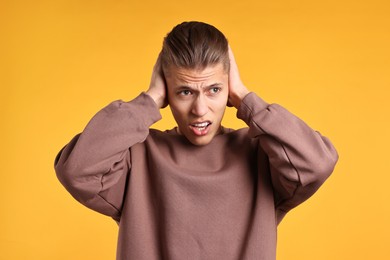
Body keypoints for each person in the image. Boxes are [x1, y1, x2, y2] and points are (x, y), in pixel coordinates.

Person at [54, 21, 338, 260]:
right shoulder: (137, 156)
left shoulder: (261, 154)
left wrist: (244, 96)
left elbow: (316, 163)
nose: (200, 110)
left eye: (214, 89)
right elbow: (77, 170)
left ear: (228, 88)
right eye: (185, 92)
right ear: (167, 90)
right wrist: (148, 101)